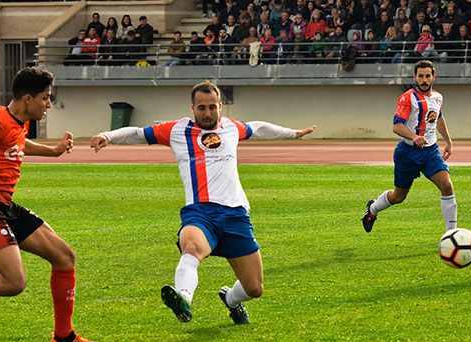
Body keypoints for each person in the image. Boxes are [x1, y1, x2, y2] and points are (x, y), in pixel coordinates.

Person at [89, 81, 316, 325]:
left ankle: (230, 299)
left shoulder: (231, 127)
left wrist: (294, 133)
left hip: (235, 214)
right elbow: (138, 133)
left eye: (211, 107)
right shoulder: (177, 130)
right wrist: (107, 135)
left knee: (254, 288)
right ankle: (183, 298)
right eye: (201, 108)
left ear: (220, 106)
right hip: (200, 212)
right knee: (191, 248)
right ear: (192, 108)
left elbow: (258, 128)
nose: (207, 113)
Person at [0, 67, 104, 342]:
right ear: (28, 98)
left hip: (3, 205)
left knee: (64, 256)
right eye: (45, 98)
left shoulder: (17, 121)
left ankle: (64, 338)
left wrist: (53, 151)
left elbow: (16, 143)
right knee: (14, 281)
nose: (49, 104)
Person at [362, 60, 457, 234]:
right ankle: (373, 209)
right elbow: (396, 126)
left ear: (433, 77)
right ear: (415, 77)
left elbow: (439, 118)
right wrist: (414, 137)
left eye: (427, 76)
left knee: (447, 186)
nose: (424, 80)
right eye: (420, 76)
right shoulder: (407, 98)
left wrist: (449, 142)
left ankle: (451, 234)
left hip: (430, 152)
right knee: (398, 196)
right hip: (407, 153)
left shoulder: (438, 97)